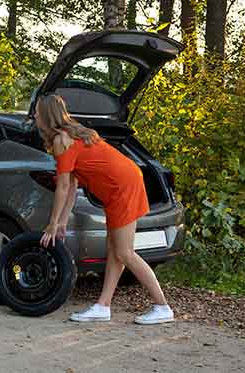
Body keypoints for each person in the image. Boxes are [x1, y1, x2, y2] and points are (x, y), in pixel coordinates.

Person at [34, 94, 174, 325]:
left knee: (125, 252)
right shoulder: (72, 134)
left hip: (122, 187)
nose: (35, 115)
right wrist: (61, 221)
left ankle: (162, 306)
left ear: (47, 116)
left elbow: (63, 186)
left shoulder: (62, 139)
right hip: (120, 184)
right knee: (115, 249)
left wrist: (52, 223)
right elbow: (73, 186)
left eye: (38, 112)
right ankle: (103, 306)